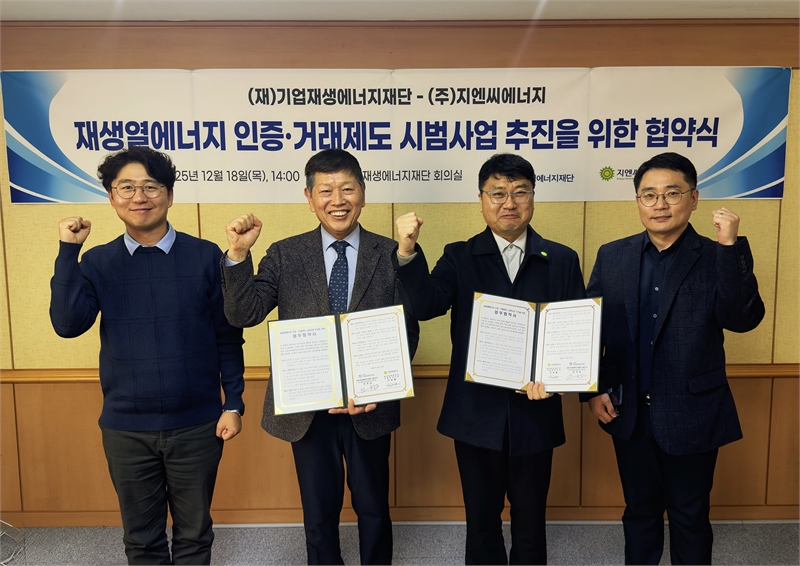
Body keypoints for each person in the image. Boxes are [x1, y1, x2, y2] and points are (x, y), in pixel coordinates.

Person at [221, 148, 419, 565]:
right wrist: (237, 255)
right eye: (326, 190)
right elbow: (244, 314)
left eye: (347, 189)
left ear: (363, 194)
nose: (338, 200)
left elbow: (408, 328)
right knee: (318, 512)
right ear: (309, 198)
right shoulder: (285, 253)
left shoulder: (391, 253)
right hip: (308, 408)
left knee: (373, 508)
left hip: (370, 406)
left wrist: (381, 388)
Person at [49, 146, 245, 565]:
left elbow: (228, 336)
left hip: (197, 424)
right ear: (111, 197)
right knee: (141, 540)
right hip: (126, 428)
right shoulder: (97, 261)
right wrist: (68, 251)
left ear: (169, 195)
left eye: (151, 187)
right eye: (127, 187)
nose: (139, 197)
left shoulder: (205, 255)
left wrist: (233, 403)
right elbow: (67, 324)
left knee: (195, 535)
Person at [394, 153, 586, 565]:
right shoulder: (459, 256)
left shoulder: (562, 259)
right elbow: (426, 305)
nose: (509, 203)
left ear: (533, 197)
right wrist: (407, 251)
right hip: (475, 413)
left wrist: (559, 379)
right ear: (481, 200)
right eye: (497, 193)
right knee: (481, 521)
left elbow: (575, 335)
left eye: (520, 192)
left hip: (536, 410)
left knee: (530, 520)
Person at [583, 152, 765, 565]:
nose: (660, 204)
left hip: (693, 411)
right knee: (639, 514)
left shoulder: (716, 254)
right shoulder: (613, 256)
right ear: (638, 201)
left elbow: (742, 319)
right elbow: (591, 329)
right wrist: (594, 389)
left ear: (694, 198)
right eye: (649, 195)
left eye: (672, 193)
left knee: (690, 517)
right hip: (628, 411)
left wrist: (730, 247)